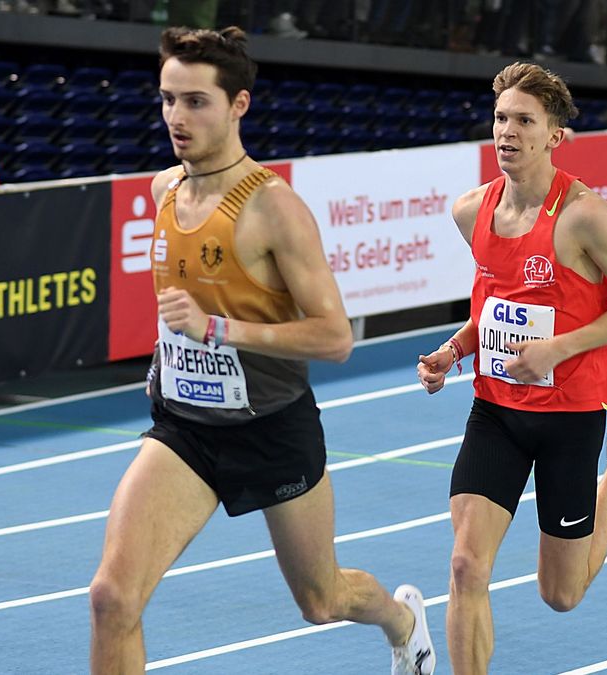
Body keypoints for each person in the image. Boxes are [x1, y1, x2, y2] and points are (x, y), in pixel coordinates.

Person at [87, 27, 435, 674]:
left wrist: (219, 331)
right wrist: (173, 358)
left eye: (196, 102)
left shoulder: (275, 208)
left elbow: (335, 337)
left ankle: (402, 620)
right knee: (112, 597)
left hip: (272, 428)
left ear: (238, 104)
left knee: (321, 598)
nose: (176, 117)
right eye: (167, 99)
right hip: (186, 429)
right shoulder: (165, 191)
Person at [415, 62, 607, 675]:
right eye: (501, 117)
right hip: (496, 412)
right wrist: (454, 351)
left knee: (561, 594)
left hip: (569, 418)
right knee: (465, 566)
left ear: (555, 135)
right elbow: (496, 307)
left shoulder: (584, 215)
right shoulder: (471, 211)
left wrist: (557, 350)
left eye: (524, 121)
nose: (508, 131)